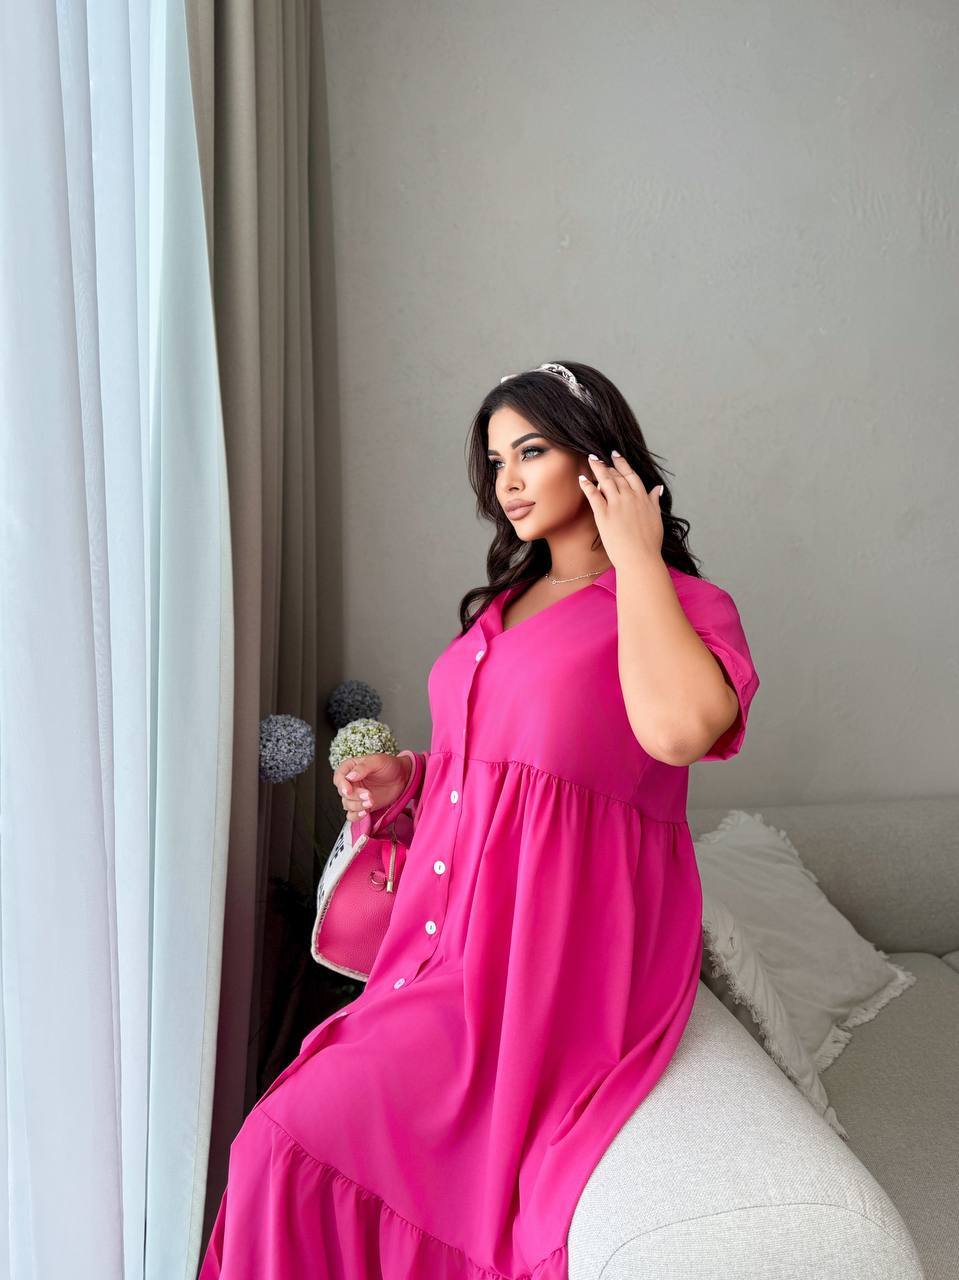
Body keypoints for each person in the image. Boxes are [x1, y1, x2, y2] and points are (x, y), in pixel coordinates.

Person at [198, 360, 761, 1280]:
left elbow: (677, 734)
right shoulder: (504, 604)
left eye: (529, 452)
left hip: (550, 958)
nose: (506, 481)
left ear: (596, 456)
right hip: (446, 943)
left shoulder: (682, 607)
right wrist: (408, 781)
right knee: (281, 1137)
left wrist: (636, 558)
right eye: (495, 461)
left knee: (288, 1141)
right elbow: (503, 767)